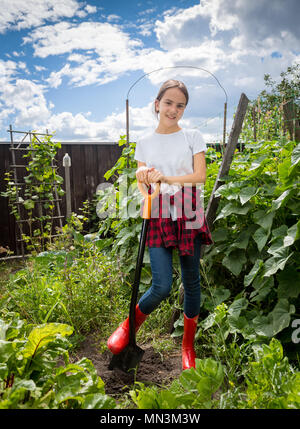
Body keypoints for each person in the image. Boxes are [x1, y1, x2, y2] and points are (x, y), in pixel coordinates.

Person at [107, 79, 213, 370]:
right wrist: (144, 177)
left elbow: (200, 176)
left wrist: (166, 178)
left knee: (191, 283)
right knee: (162, 284)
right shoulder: (144, 141)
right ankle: (128, 327)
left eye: (180, 105)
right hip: (158, 211)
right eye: (168, 103)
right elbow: (143, 177)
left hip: (188, 210)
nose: (173, 109)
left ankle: (187, 348)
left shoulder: (193, 136)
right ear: (157, 104)